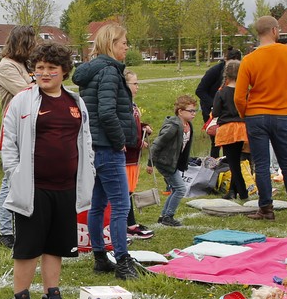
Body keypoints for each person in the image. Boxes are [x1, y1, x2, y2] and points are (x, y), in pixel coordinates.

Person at [0, 41, 94, 299]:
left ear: (64, 71)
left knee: (56, 246)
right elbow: (8, 142)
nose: (44, 73)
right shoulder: (23, 100)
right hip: (33, 189)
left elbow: (86, 141)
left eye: (51, 68)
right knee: (28, 247)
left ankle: (52, 297)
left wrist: (87, 169)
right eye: (39, 67)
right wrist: (15, 174)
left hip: (66, 188)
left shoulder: (75, 102)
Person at [75, 22, 141, 279]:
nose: (127, 47)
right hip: (107, 147)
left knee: (98, 204)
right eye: (124, 43)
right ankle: (123, 260)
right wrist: (119, 140)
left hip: (93, 147)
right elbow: (106, 111)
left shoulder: (92, 71)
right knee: (121, 206)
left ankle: (100, 257)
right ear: (112, 44)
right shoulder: (110, 72)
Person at [233, 16, 287, 221]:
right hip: (281, 114)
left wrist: (245, 113)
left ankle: (266, 208)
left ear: (258, 32)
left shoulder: (249, 59)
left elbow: (239, 96)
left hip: (255, 115)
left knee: (261, 164)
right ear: (275, 31)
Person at [0, 25, 36, 249]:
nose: (35, 46)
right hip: (14, 130)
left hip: (31, 128)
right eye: (32, 42)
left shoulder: (25, 65)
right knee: (10, 179)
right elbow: (28, 92)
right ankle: (6, 231)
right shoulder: (6, 66)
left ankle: (26, 224)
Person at [147, 94, 199, 228]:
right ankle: (168, 216)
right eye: (191, 111)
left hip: (173, 162)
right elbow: (157, 144)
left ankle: (164, 216)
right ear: (180, 111)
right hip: (165, 162)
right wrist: (150, 163)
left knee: (177, 188)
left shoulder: (188, 125)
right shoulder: (173, 126)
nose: (194, 113)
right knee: (181, 189)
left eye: (195, 111)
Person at [121, 71, 155, 239]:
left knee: (129, 190)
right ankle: (129, 225)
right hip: (125, 158)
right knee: (124, 192)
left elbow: (133, 126)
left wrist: (143, 127)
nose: (137, 87)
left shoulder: (132, 104)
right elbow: (123, 130)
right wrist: (139, 142)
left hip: (133, 158)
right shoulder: (123, 105)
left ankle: (129, 224)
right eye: (134, 83)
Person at [212, 59, 250, 201]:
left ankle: (243, 192)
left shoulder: (221, 92)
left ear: (226, 74)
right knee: (237, 160)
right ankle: (232, 191)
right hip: (242, 127)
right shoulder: (245, 92)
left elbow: (216, 112)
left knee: (233, 164)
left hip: (227, 129)